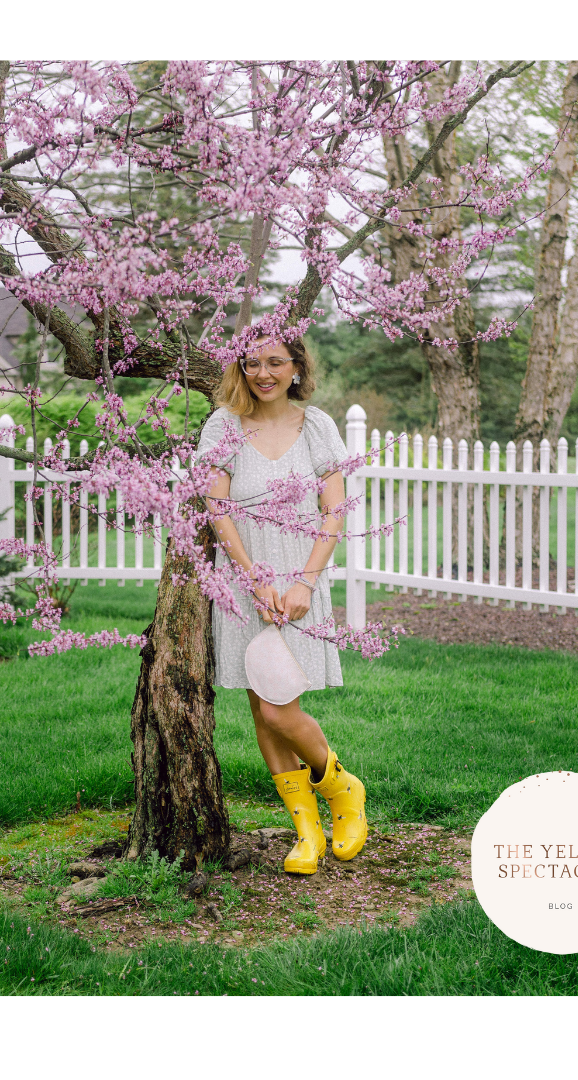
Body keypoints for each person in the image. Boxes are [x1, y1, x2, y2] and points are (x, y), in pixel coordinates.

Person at [195, 331, 367, 875]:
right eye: (253, 363)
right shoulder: (222, 425)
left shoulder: (316, 425)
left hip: (300, 579)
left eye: (276, 362)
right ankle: (307, 831)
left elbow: (333, 512)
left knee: (279, 707)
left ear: (296, 367)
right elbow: (217, 507)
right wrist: (252, 578)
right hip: (246, 582)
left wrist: (305, 584)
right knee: (261, 710)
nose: (263, 373)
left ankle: (344, 790)